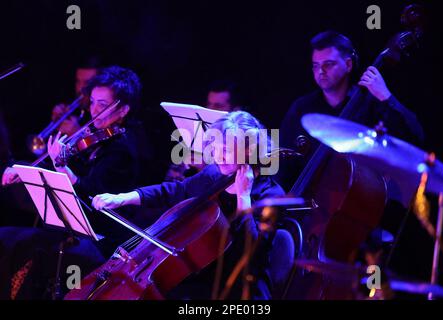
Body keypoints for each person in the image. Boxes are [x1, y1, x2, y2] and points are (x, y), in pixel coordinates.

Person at [91, 111, 285, 300]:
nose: (218, 156)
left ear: (249, 150)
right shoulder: (215, 175)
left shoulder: (272, 196)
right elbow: (175, 191)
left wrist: (244, 196)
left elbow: (251, 251)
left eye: (225, 150)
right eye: (215, 148)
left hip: (238, 287)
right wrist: (123, 198)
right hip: (200, 276)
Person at [0, 66, 144, 299]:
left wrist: (61, 166)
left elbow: (90, 196)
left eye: (103, 105)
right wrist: (22, 169)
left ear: (124, 110)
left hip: (102, 240)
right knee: (9, 240)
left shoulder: (123, 150)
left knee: (21, 247)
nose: (94, 110)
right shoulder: (96, 140)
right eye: (93, 102)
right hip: (74, 231)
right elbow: (56, 176)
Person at [277, 30, 424, 191]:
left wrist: (385, 96)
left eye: (328, 64)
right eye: (316, 66)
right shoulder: (302, 108)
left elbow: (416, 136)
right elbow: (282, 159)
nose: (321, 71)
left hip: (362, 199)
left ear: (348, 64)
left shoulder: (371, 103)